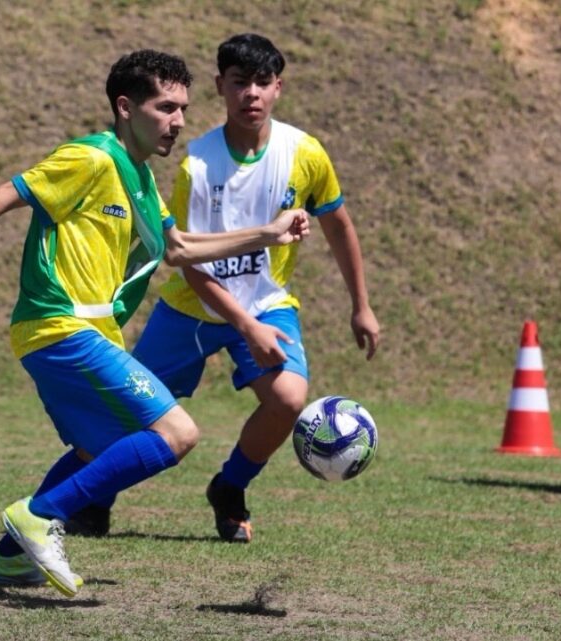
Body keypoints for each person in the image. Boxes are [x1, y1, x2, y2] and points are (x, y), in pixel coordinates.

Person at [0, 49, 310, 599]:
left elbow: (179, 248)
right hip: (61, 326)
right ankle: (39, 516)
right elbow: (1, 197)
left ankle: (7, 559)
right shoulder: (90, 157)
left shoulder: (140, 178)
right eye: (165, 108)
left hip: (82, 334)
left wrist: (268, 234)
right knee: (178, 433)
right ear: (125, 107)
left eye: (183, 109)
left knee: (101, 448)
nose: (178, 121)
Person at [63, 33, 378, 544]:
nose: (251, 93)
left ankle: (230, 488)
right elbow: (188, 261)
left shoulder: (305, 153)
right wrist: (246, 326)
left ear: (278, 87)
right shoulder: (198, 163)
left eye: (262, 82)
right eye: (239, 82)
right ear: (220, 86)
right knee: (126, 408)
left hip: (267, 304)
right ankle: (89, 500)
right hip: (192, 307)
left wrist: (361, 305)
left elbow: (339, 225)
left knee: (288, 399)